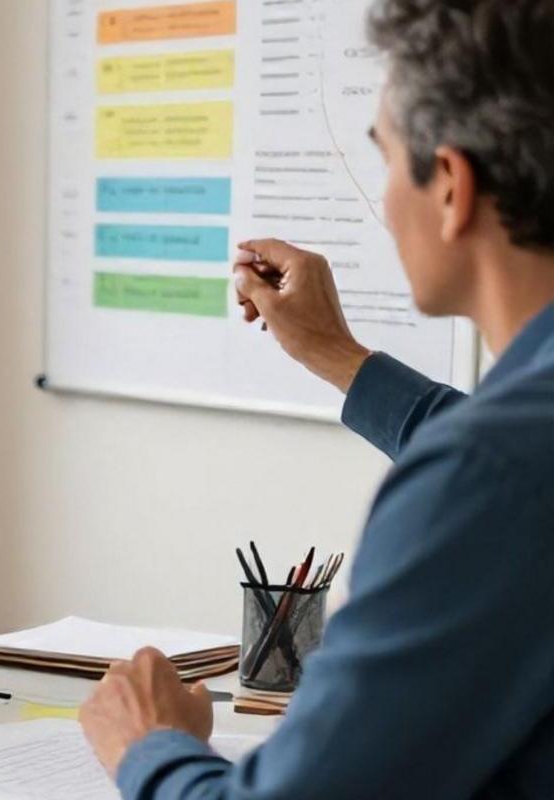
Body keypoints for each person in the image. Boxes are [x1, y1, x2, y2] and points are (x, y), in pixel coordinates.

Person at [80, 0, 554, 797]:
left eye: (384, 155)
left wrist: (148, 747)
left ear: (450, 186)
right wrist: (338, 357)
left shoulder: (483, 474)